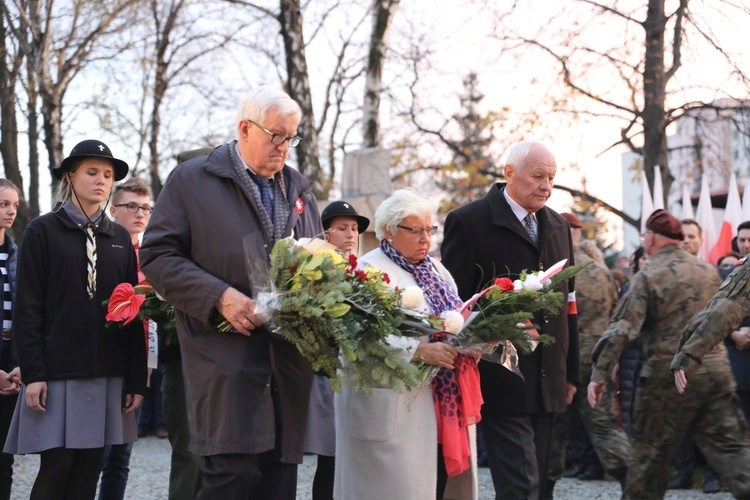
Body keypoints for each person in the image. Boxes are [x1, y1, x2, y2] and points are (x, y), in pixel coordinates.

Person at [140, 86, 323, 499]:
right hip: (224, 355)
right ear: (245, 128)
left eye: (291, 137)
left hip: (287, 361)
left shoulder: (300, 191)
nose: (284, 147)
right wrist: (218, 295)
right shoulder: (192, 179)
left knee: (279, 482)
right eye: (277, 135)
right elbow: (157, 255)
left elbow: (317, 262)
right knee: (230, 476)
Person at [4, 140, 147, 499]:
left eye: (108, 175)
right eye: (92, 171)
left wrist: (135, 378)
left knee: (89, 469)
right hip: (58, 372)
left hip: (108, 371)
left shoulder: (118, 237)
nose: (102, 180)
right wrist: (33, 371)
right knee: (58, 466)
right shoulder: (42, 231)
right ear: (70, 174)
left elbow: (130, 310)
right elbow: (28, 308)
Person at [441, 140, 579, 500]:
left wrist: (572, 372)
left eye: (551, 177)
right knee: (521, 486)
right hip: (500, 378)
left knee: (541, 485)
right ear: (509, 173)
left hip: (549, 377)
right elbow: (455, 308)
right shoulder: (468, 221)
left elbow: (569, 304)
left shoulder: (558, 225)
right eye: (537, 176)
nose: (546, 186)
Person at [334, 188, 479, 500]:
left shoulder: (437, 270)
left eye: (430, 229)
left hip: (439, 402)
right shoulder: (366, 269)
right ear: (389, 231)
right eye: (416, 230)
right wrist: (416, 351)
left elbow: (456, 317)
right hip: (388, 406)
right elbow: (353, 335)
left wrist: (480, 337)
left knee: (434, 484)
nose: (426, 238)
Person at [587, 209, 738, 499]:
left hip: (664, 375)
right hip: (713, 371)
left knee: (647, 462)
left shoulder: (648, 275)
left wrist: (599, 373)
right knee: (733, 450)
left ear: (653, 238)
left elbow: (622, 329)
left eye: (645, 236)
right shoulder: (708, 270)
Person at [555, 214, 628, 491]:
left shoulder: (558, 271)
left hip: (564, 360)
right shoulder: (601, 271)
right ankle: (632, 477)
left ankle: (544, 487)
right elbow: (616, 316)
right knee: (604, 426)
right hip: (599, 359)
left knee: (555, 429)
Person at [306, 200, 369, 500]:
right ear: (325, 233)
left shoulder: (362, 270)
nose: (350, 234)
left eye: (354, 229)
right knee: (331, 456)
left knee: (349, 457)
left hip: (355, 370)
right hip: (326, 371)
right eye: (342, 228)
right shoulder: (313, 269)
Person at [97, 177, 153, 500]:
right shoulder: (104, 251)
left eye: (145, 207)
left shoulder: (154, 256)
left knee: (121, 457)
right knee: (98, 453)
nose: (139, 213)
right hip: (108, 361)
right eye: (131, 206)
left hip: (143, 361)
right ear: (114, 209)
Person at [667, 218, 720, 493]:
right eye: (683, 237)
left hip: (709, 358)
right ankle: (684, 471)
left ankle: (712, 475)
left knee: (711, 420)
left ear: (700, 241)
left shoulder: (715, 274)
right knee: (680, 419)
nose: (687, 241)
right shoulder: (667, 276)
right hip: (675, 358)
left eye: (692, 236)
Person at [0, 180, 21, 500]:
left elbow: (28, 314)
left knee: (5, 460)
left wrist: (21, 364)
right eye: (4, 204)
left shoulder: (19, 254)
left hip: (11, 363)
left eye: (15, 205)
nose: (11, 211)